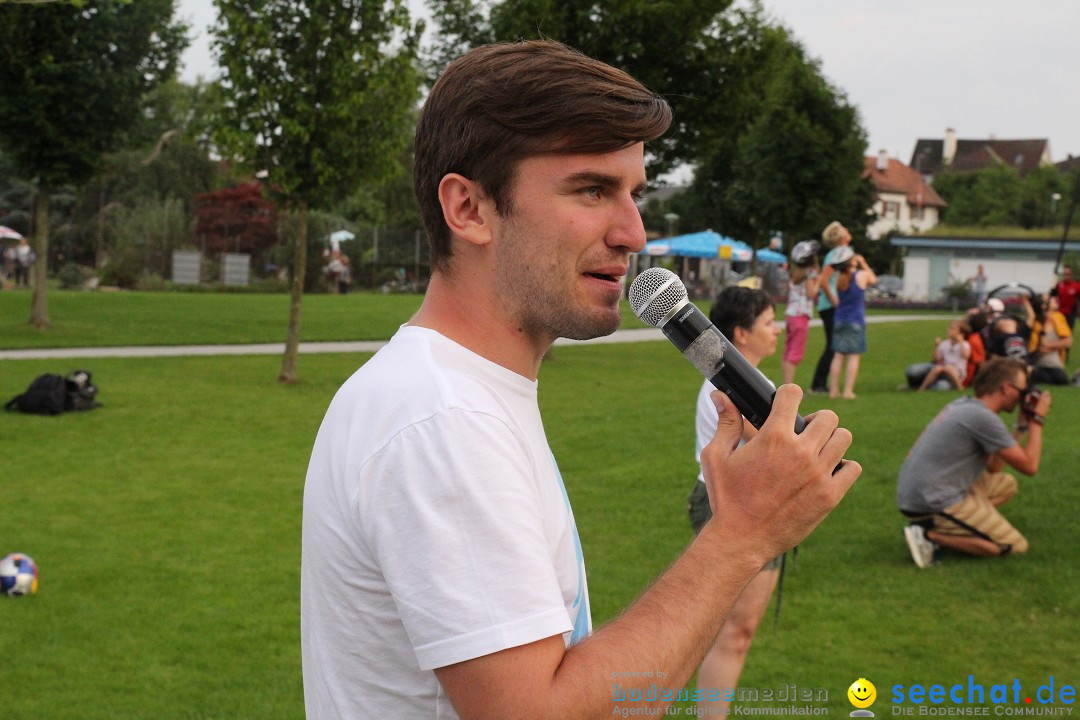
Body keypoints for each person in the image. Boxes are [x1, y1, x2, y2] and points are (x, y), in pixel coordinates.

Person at [300, 40, 860, 720]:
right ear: (469, 208)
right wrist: (739, 535)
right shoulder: (445, 420)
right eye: (593, 190)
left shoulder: (448, 392)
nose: (633, 232)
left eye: (634, 194)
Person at [688, 287, 782, 716]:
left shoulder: (755, 382)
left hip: (751, 503)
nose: (776, 330)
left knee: (738, 632)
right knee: (734, 633)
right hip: (732, 503)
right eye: (768, 322)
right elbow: (777, 448)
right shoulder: (729, 385)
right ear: (741, 334)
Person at [898, 357, 1052, 567]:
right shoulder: (982, 418)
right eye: (1022, 392)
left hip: (922, 491)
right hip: (932, 500)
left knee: (1006, 484)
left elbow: (994, 467)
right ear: (1006, 388)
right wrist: (1037, 420)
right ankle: (930, 536)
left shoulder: (966, 405)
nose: (1022, 398)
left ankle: (968, 522)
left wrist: (1022, 427)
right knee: (1013, 545)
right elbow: (1030, 466)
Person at [809, 221, 852, 394]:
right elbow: (824, 280)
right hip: (829, 306)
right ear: (841, 237)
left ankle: (821, 384)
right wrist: (835, 300)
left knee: (833, 345)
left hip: (830, 305)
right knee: (833, 345)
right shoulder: (836, 254)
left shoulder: (838, 254)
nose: (848, 231)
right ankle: (818, 385)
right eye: (845, 229)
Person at [828, 247, 876, 399]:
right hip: (855, 321)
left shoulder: (839, 278)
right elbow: (873, 280)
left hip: (839, 319)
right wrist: (863, 262)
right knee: (853, 356)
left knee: (838, 355)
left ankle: (833, 390)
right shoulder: (860, 275)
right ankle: (848, 391)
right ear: (851, 262)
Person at [781, 240, 820, 386]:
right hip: (801, 316)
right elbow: (811, 294)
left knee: (788, 352)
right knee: (795, 354)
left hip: (791, 314)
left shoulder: (794, 273)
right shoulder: (810, 274)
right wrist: (818, 283)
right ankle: (789, 387)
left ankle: (785, 384)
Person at [1028, 293, 1072, 385]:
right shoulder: (1036, 322)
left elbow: (1067, 342)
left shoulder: (1058, 317)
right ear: (1043, 305)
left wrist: (1048, 345)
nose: (1055, 299)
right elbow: (1033, 348)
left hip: (1053, 363)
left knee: (1061, 379)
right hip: (1037, 364)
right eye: (1050, 298)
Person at [917, 320, 971, 391]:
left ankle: (960, 388)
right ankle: (922, 388)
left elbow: (966, 356)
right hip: (945, 368)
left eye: (952, 329)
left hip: (958, 372)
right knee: (937, 368)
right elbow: (937, 359)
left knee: (947, 373)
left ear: (961, 333)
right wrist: (936, 346)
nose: (949, 331)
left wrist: (960, 342)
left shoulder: (965, 344)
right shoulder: (945, 343)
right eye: (949, 329)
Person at [1050, 266, 1080, 333]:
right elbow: (1052, 295)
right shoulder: (1059, 285)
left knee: (1068, 333)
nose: (1066, 276)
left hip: (1070, 314)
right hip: (1059, 314)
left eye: (1068, 274)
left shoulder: (1077, 286)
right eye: (1065, 274)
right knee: (1058, 332)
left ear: (1071, 275)